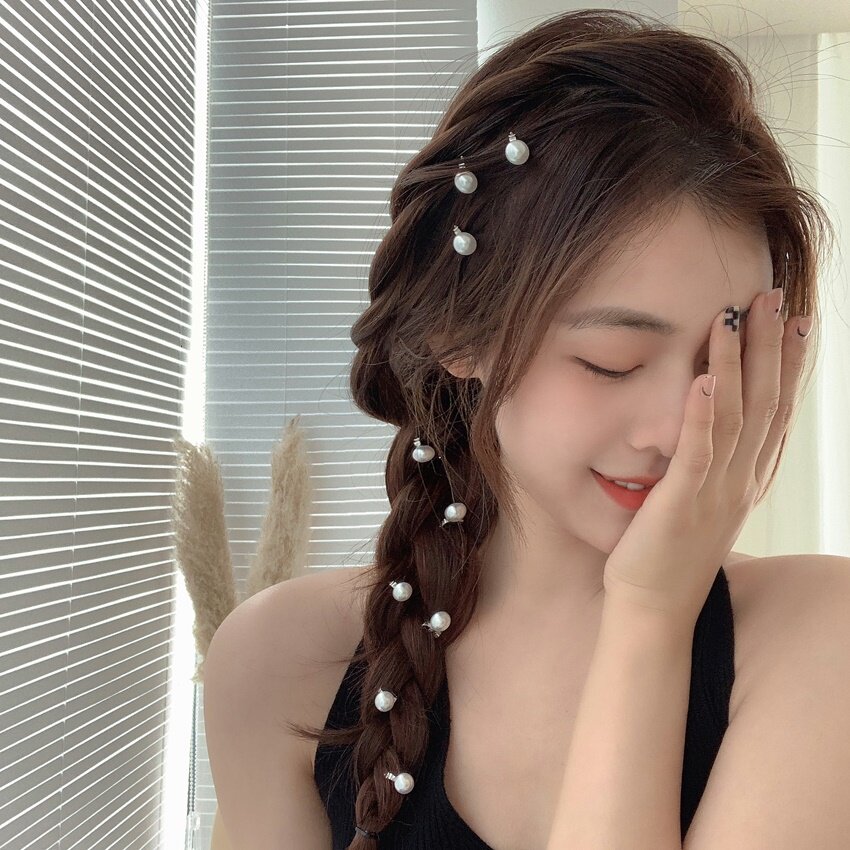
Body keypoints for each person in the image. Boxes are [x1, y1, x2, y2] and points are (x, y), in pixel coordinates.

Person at [204, 9, 848, 850]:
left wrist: (650, 617)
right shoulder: (283, 661)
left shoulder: (819, 635)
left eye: (721, 364)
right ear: (458, 333)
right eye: (612, 360)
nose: (673, 429)